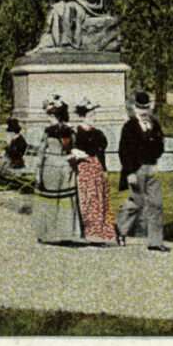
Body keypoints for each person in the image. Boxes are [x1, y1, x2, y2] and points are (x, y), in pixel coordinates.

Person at [116, 91, 169, 251]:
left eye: (146, 108)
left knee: (156, 203)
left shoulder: (154, 124)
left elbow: (160, 145)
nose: (144, 111)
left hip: (151, 168)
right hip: (136, 169)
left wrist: (154, 161)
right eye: (140, 108)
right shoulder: (129, 127)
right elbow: (124, 152)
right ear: (134, 108)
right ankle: (119, 230)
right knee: (135, 203)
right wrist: (130, 173)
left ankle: (155, 241)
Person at [33, 96, 83, 243]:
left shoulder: (48, 133)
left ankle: (49, 233)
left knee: (51, 200)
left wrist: (38, 173)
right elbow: (73, 148)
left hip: (51, 165)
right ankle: (66, 232)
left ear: (54, 116)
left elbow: (41, 152)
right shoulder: (70, 131)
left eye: (50, 116)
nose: (48, 118)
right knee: (66, 201)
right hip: (66, 165)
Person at [69, 99, 117, 244]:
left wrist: (104, 170)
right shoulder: (75, 133)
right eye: (90, 114)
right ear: (83, 116)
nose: (93, 117)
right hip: (83, 168)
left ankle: (99, 232)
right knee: (87, 199)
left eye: (93, 114)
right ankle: (88, 231)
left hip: (96, 168)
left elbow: (101, 153)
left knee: (98, 199)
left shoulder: (98, 133)